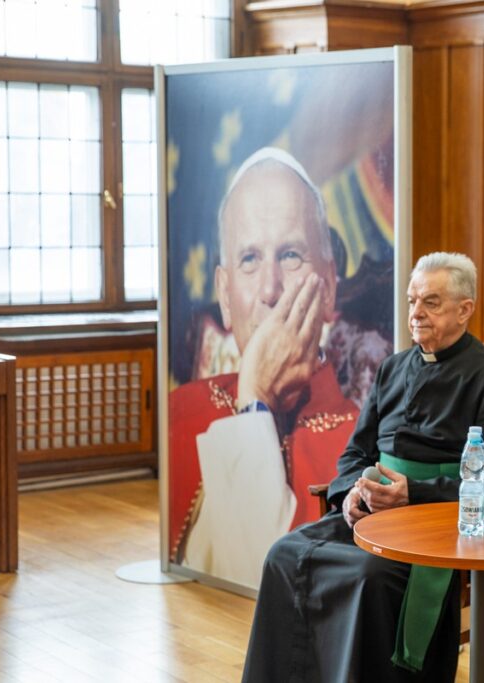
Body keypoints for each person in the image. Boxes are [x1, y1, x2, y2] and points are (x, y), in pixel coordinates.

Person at [241, 252, 484, 683]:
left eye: (431, 302)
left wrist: (414, 493)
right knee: (283, 555)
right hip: (371, 516)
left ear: (464, 309)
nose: (416, 313)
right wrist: (351, 494)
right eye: (413, 301)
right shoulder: (392, 369)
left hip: (438, 528)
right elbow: (354, 454)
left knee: (368, 576)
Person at [168, 148, 360, 588]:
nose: (270, 290)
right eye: (249, 259)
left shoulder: (359, 445)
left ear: (329, 286)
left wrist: (254, 396)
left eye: (290, 255)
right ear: (224, 295)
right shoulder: (180, 411)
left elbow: (258, 585)